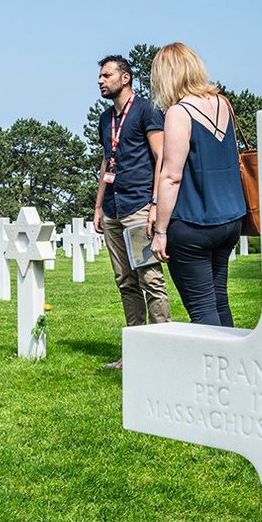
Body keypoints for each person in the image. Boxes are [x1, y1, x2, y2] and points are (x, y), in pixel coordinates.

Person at [148, 43, 246, 326]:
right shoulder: (223, 104)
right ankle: (229, 366)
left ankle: (211, 369)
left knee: (203, 309)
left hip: (194, 223)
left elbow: (171, 176)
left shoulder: (179, 112)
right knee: (219, 300)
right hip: (230, 220)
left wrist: (161, 231)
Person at [93, 54, 171, 369]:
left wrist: (155, 203)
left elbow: (161, 156)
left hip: (139, 207)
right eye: (99, 76)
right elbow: (106, 161)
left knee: (149, 278)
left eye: (107, 75)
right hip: (112, 209)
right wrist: (98, 205)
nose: (100, 81)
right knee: (125, 281)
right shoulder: (104, 119)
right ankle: (136, 353)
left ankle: (164, 350)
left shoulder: (147, 110)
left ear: (125, 78)